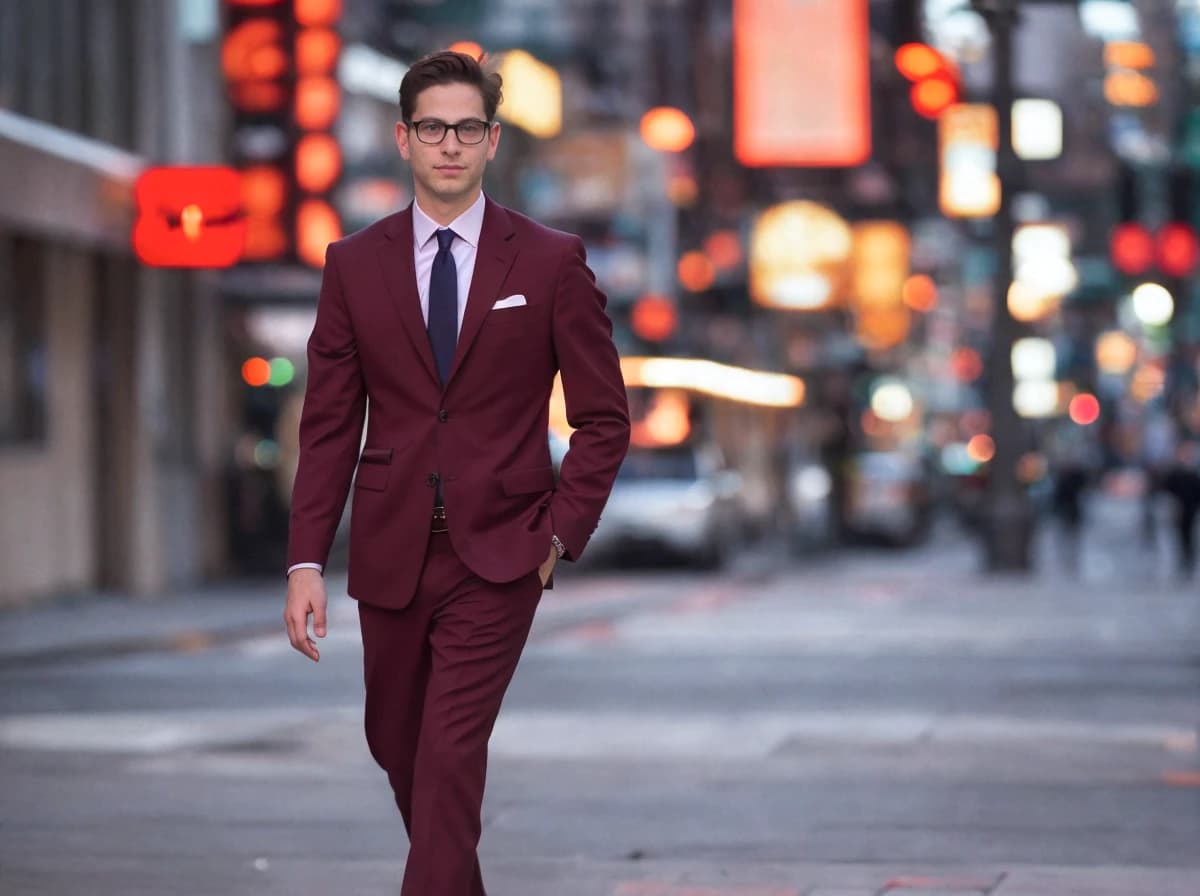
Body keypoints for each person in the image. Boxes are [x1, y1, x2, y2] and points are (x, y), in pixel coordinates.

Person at [282, 51, 630, 896]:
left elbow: (604, 419)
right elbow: (329, 426)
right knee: (397, 744)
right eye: (433, 128)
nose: (449, 145)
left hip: (503, 551)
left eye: (466, 129)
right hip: (392, 550)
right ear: (403, 139)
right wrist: (303, 561)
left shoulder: (549, 262)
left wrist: (556, 536)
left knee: (447, 752)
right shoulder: (353, 265)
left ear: (493, 140)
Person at [1161, 439, 1200, 579]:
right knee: (1178, 537)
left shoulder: (1193, 473)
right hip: (1178, 511)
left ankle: (1189, 562)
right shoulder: (1175, 473)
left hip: (1191, 510)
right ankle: (1181, 562)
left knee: (1190, 537)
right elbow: (1167, 490)